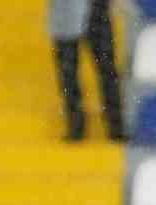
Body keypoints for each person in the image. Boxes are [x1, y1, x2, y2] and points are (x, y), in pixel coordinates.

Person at [50, 0, 125, 142]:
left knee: (107, 68)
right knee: (68, 73)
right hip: (66, 11)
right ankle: (76, 126)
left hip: (96, 8)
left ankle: (116, 126)